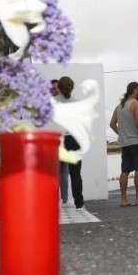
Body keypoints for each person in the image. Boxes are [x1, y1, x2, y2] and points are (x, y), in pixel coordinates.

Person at [110, 82, 138, 207]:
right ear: (134, 90)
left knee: (125, 170)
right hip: (137, 142)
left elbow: (112, 124)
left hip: (125, 144)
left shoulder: (119, 106)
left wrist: (122, 134)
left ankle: (123, 200)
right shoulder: (136, 104)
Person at [57, 76, 85, 210]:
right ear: (72, 88)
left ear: (58, 88)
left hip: (59, 140)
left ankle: (53, 201)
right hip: (74, 139)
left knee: (55, 173)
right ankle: (79, 202)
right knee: (75, 174)